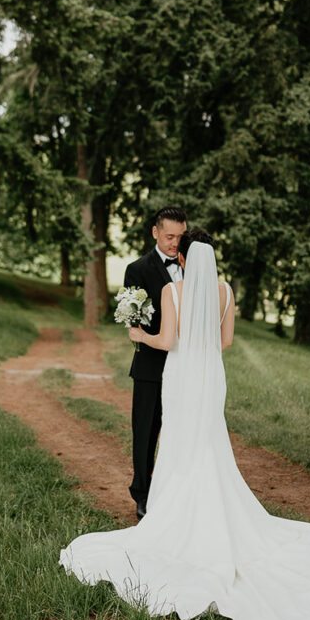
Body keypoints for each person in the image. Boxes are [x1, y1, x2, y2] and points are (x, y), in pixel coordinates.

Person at [60, 230, 310, 620]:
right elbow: (224, 342)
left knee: (179, 442)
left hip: (181, 377)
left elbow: (168, 340)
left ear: (188, 259)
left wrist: (140, 334)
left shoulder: (174, 292)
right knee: (209, 442)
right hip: (211, 379)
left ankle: (171, 514)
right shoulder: (225, 293)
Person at [122, 205, 187, 520]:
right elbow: (134, 323)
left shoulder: (193, 267)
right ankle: (142, 494)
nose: (175, 243)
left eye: (180, 236)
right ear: (155, 232)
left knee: (180, 431)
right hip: (150, 366)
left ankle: (175, 492)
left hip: (184, 367)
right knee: (145, 431)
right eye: (170, 236)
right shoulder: (137, 269)